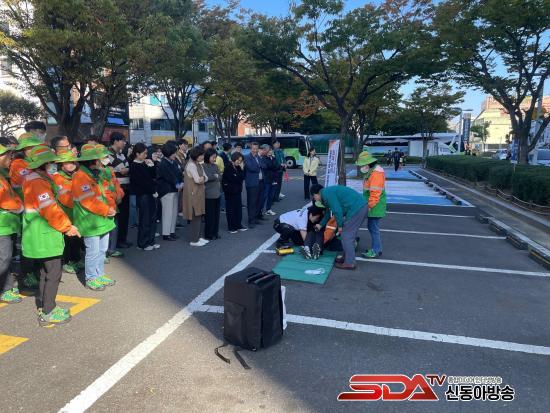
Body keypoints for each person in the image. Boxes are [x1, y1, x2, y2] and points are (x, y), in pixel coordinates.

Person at [22, 145, 80, 325]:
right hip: (45, 234)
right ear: (45, 163)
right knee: (54, 273)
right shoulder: (38, 182)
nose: (53, 164)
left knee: (44, 271)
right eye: (50, 162)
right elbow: (50, 210)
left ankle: (44, 305)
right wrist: (67, 227)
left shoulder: (34, 178)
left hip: (38, 233)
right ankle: (49, 311)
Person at [72, 144, 117, 291]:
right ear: (94, 160)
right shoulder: (80, 177)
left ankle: (99, 274)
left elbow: (103, 195)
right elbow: (88, 201)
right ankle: (91, 278)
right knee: (92, 252)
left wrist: (110, 208)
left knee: (102, 250)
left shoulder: (95, 174)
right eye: (100, 158)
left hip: (101, 220)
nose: (102, 161)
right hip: (90, 221)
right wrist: (107, 210)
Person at [311, 184, 368, 270]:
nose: (315, 199)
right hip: (359, 207)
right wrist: (321, 224)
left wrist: (340, 225)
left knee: (346, 236)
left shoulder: (327, 194)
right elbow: (328, 213)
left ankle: (350, 263)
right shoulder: (326, 194)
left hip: (357, 208)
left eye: (314, 197)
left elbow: (337, 210)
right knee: (347, 236)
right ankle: (346, 258)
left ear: (316, 194)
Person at [0, 144, 24, 304]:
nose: (10, 159)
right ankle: (3, 289)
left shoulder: (3, 175)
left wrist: (18, 204)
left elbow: (12, 196)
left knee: (6, 257)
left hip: (7, 225)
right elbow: (6, 201)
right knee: (4, 258)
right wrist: (19, 207)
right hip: (2, 226)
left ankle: (6, 286)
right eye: (8, 156)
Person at [51, 150, 83, 274]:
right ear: (61, 165)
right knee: (67, 240)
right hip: (65, 213)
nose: (70, 165)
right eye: (67, 163)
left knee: (76, 238)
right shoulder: (57, 177)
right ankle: (65, 262)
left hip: (76, 213)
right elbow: (64, 198)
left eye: (72, 162)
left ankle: (75, 259)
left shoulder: (77, 175)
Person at [356, 152, 386, 259]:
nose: (361, 167)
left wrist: (368, 207)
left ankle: (376, 250)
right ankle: (377, 249)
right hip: (374, 205)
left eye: (362, 165)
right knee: (372, 227)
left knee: (373, 228)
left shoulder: (376, 174)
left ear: (368, 164)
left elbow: (375, 194)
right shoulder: (371, 172)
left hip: (375, 206)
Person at [129, 143, 159, 251]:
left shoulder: (144, 163)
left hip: (150, 194)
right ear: (137, 154)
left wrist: (152, 164)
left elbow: (153, 176)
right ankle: (142, 243)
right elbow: (142, 182)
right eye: (144, 153)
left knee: (152, 218)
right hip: (143, 195)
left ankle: (151, 241)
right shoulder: (134, 165)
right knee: (144, 220)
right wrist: (153, 191)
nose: (146, 155)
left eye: (146, 153)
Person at [107, 132, 131, 249]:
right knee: (118, 216)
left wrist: (126, 169)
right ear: (116, 141)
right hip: (116, 189)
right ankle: (116, 242)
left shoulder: (121, 154)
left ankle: (122, 239)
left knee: (125, 216)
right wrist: (125, 169)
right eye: (123, 140)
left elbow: (127, 168)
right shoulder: (108, 154)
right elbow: (120, 170)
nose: (124, 143)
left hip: (126, 188)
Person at [182, 146, 209, 246]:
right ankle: (194, 240)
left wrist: (202, 178)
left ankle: (198, 237)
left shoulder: (198, 164)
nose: (203, 157)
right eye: (201, 155)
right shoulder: (191, 165)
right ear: (196, 155)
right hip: (193, 194)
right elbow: (198, 180)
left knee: (199, 215)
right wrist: (202, 178)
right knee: (195, 216)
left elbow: (205, 178)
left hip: (199, 193)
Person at [157, 143, 181, 241]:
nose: (175, 154)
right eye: (173, 153)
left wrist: (180, 182)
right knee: (167, 213)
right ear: (168, 153)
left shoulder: (173, 162)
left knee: (174, 212)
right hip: (166, 190)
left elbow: (179, 173)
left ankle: (172, 231)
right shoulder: (162, 163)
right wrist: (178, 183)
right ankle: (166, 233)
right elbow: (169, 176)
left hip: (174, 189)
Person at [222, 152, 247, 234]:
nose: (239, 162)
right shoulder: (228, 167)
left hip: (237, 191)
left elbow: (242, 177)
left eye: (241, 161)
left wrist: (241, 170)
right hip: (230, 192)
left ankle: (238, 225)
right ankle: (231, 227)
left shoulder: (238, 167)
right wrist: (237, 176)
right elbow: (233, 178)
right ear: (234, 159)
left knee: (238, 209)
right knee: (231, 210)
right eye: (238, 160)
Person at [203, 148, 222, 240]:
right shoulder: (203, 166)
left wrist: (214, 176)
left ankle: (215, 232)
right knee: (209, 216)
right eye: (213, 157)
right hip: (208, 194)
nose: (214, 159)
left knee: (216, 215)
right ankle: (209, 234)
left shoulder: (215, 166)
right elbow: (207, 177)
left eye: (215, 157)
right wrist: (215, 176)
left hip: (217, 193)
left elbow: (220, 176)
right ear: (208, 156)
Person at [244, 142, 263, 228]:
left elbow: (264, 165)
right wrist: (259, 166)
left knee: (258, 201)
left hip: (260, 182)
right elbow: (251, 168)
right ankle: (251, 220)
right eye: (253, 148)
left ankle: (255, 218)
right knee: (251, 202)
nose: (255, 150)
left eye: (256, 148)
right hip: (252, 183)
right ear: (250, 149)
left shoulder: (258, 157)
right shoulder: (247, 157)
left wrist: (259, 166)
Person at [259, 144, 278, 216]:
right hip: (267, 180)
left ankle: (268, 209)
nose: (270, 152)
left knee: (271, 196)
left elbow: (277, 166)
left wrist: (274, 165)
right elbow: (268, 166)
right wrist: (274, 166)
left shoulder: (273, 158)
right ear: (266, 151)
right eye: (269, 150)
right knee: (264, 196)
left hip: (274, 179)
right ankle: (260, 210)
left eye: (271, 150)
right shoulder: (263, 158)